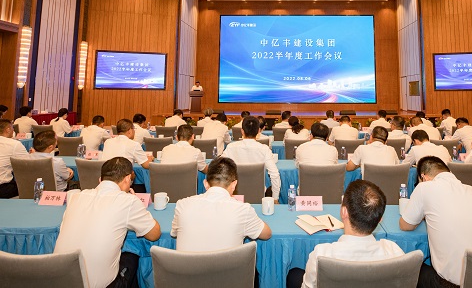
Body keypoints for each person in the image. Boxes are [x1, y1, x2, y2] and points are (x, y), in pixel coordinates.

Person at [54, 157, 161, 288]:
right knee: (132, 253)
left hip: (59, 280)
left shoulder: (75, 197)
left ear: (101, 180)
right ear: (127, 178)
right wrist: (136, 204)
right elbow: (154, 234)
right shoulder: (128, 201)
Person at [400, 156, 472, 287]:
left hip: (452, 285)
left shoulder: (424, 188)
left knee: (409, 268)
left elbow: (405, 225)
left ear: (424, 178)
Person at [288, 180, 404, 288]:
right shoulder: (395, 252)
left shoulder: (321, 255)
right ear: (380, 220)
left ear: (344, 211)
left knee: (294, 275)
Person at [171, 156, 271, 252]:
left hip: (186, 265)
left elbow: (174, 233)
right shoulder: (243, 210)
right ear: (234, 184)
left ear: (205, 184)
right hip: (229, 265)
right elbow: (267, 234)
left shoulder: (182, 205)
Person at [222, 116, 281, 202]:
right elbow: (275, 175)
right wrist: (275, 198)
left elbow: (219, 167)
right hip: (259, 195)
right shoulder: (264, 149)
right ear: (258, 131)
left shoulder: (231, 147)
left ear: (242, 131)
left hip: (234, 196)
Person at [0, 119, 29, 198]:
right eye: (12, 128)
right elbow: (28, 163)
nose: (14, 130)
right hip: (3, 188)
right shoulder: (14, 144)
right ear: (8, 129)